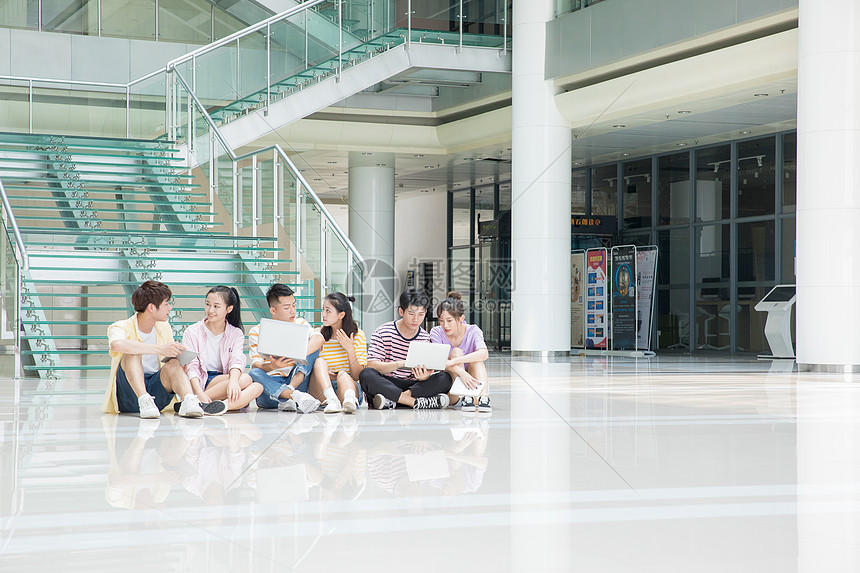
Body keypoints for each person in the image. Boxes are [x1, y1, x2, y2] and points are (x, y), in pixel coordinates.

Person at [102, 280, 205, 419]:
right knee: (132, 353)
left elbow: (167, 359)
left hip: (157, 391)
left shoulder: (164, 327)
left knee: (174, 362)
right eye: (166, 304)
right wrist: (160, 349)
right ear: (151, 307)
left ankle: (189, 400)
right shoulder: (121, 326)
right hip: (129, 394)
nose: (170, 308)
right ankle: (144, 399)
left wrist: (177, 358)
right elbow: (116, 345)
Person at [359, 287, 453, 410]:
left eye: (421, 314)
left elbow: (428, 374)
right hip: (388, 382)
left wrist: (424, 377)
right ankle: (414, 402)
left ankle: (394, 400)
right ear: (401, 311)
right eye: (411, 313)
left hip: (412, 386)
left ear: (425, 312)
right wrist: (400, 364)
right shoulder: (383, 331)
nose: (416, 319)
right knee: (366, 374)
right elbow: (372, 365)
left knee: (445, 378)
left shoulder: (425, 337)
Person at [181, 286, 263, 413]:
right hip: (202, 380)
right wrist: (198, 391)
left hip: (224, 380)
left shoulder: (236, 333)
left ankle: (221, 405)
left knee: (258, 387)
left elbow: (237, 359)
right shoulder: (192, 332)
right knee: (246, 379)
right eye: (208, 304)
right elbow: (192, 366)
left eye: (216, 306)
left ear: (229, 309)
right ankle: (198, 399)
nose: (210, 310)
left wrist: (234, 382)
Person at [248, 283, 323, 413]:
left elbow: (319, 339)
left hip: (297, 381)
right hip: (270, 389)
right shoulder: (257, 331)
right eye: (287, 307)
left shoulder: (301, 323)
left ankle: (291, 391)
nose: (293, 311)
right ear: (273, 310)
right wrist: (273, 366)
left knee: (313, 347)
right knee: (253, 373)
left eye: (294, 305)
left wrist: (298, 354)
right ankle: (292, 396)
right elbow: (256, 365)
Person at [430, 291, 491, 412]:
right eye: (441, 320)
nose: (445, 325)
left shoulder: (473, 330)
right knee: (456, 351)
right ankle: (466, 396)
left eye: (449, 320)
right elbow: (438, 360)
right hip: (455, 388)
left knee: (476, 359)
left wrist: (454, 361)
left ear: (461, 318)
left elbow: (484, 353)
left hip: (475, 386)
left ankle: (484, 397)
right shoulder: (436, 332)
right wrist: (462, 373)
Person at [311, 293, 367, 414]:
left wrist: (350, 349)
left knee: (342, 374)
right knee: (319, 362)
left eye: (328, 311)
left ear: (341, 315)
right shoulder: (318, 335)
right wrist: (325, 373)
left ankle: (350, 400)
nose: (323, 314)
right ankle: (332, 400)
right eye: (323, 309)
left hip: (347, 387)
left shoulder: (357, 336)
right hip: (323, 389)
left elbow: (357, 376)